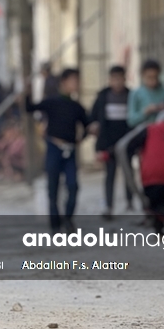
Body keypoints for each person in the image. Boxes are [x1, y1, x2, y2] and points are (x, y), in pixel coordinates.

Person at [25, 68, 91, 232]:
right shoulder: (52, 102)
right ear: (63, 82)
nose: (75, 84)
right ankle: (55, 224)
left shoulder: (77, 107)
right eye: (72, 80)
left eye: (77, 80)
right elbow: (30, 108)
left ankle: (68, 219)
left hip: (70, 151)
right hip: (54, 148)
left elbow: (87, 126)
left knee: (73, 185)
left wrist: (80, 139)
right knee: (52, 188)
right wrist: (27, 92)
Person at [120, 108, 164, 231]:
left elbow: (128, 146)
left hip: (152, 173)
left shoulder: (150, 129)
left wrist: (109, 154)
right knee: (162, 200)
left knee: (152, 204)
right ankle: (159, 230)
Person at [89, 65, 133, 218]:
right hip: (108, 143)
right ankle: (109, 205)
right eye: (114, 79)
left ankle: (130, 202)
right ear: (110, 80)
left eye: (120, 79)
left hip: (127, 142)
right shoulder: (103, 96)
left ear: (124, 79)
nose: (117, 82)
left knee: (129, 174)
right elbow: (93, 116)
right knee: (110, 175)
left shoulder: (130, 96)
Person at [127, 60, 164, 129]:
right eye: (149, 77)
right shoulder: (136, 94)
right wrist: (146, 112)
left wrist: (163, 110)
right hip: (143, 133)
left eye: (155, 77)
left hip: (162, 132)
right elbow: (131, 120)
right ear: (143, 75)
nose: (153, 81)